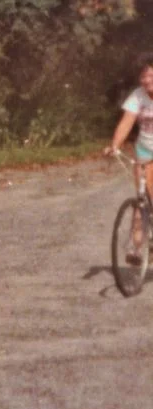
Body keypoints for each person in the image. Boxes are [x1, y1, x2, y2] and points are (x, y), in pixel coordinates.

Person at [105, 52, 153, 264]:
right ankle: (136, 248)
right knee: (142, 199)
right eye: (143, 76)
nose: (146, 80)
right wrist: (114, 145)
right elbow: (126, 122)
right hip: (144, 150)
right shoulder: (138, 96)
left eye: (150, 75)